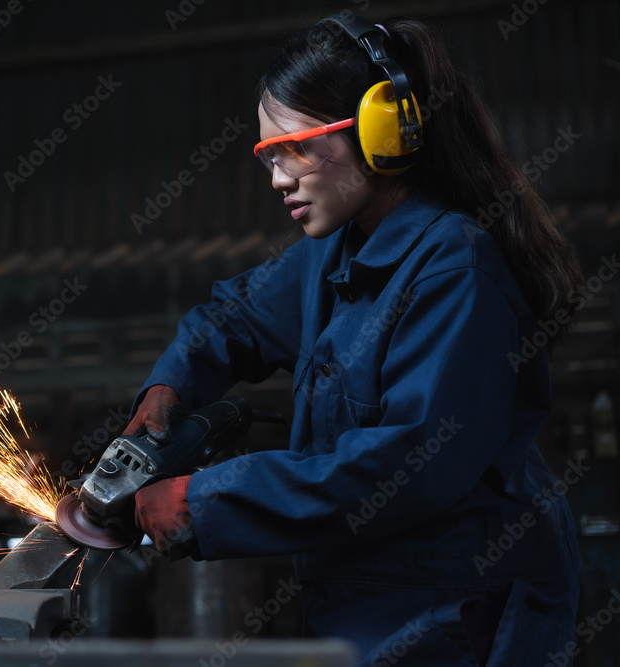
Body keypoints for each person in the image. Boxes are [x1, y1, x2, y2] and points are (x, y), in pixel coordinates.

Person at [126, 13, 584, 667]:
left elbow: (405, 464)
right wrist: (169, 384)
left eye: (297, 149)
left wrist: (203, 500)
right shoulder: (334, 250)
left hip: (459, 607)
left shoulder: (456, 267)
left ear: (385, 133)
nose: (279, 178)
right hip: (368, 607)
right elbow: (237, 316)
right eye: (267, 156)